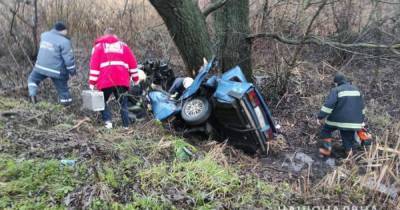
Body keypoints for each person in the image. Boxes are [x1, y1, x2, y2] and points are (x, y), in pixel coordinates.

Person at [88, 28, 139, 129]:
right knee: (123, 103)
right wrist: (135, 78)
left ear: (104, 36)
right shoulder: (124, 46)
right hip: (122, 80)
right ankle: (126, 126)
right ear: (115, 36)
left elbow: (94, 67)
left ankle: (108, 122)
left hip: (105, 80)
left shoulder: (98, 47)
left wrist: (92, 83)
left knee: (100, 101)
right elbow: (133, 63)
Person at [317, 72, 366, 157]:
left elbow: (329, 105)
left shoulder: (336, 90)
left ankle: (325, 152)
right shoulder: (356, 90)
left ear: (336, 83)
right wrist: (361, 121)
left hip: (337, 120)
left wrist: (320, 116)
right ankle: (350, 159)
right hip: (354, 122)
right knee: (347, 139)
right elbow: (362, 107)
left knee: (326, 131)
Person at [27, 21, 76, 105]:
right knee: (63, 90)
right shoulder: (65, 42)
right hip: (57, 71)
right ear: (63, 30)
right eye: (66, 31)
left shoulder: (44, 35)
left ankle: (32, 97)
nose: (67, 32)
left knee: (32, 80)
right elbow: (69, 60)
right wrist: (73, 72)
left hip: (40, 67)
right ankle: (67, 107)